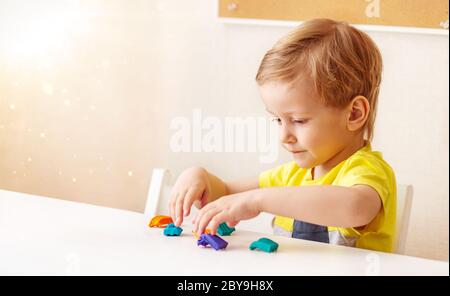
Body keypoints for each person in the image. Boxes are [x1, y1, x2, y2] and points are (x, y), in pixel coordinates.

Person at [169, 19, 396, 252]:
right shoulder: (293, 176)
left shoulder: (366, 171)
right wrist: (200, 178)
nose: (284, 136)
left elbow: (355, 207)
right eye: (278, 120)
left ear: (354, 114)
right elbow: (225, 195)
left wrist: (258, 200)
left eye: (298, 120)